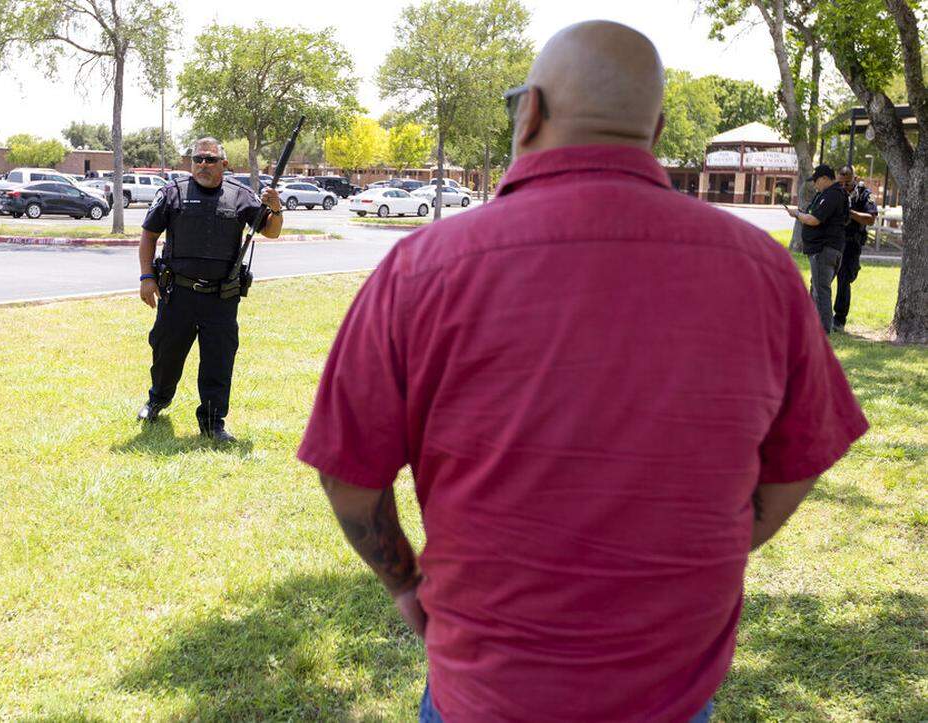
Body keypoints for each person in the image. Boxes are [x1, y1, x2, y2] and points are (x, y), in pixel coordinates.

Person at [299, 21, 868, 722]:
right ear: (656, 129)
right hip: (672, 696)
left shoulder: (424, 268)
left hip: (484, 693)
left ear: (529, 110)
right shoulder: (761, 273)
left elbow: (347, 472)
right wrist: (718, 539)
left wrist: (404, 584)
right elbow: (802, 455)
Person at [136, 137, 283, 442]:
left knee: (218, 361)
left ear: (224, 165)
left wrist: (276, 210)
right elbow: (149, 234)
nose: (203, 165)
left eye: (210, 160)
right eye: (197, 159)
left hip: (221, 298)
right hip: (178, 295)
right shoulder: (172, 193)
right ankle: (157, 400)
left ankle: (213, 422)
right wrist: (146, 277)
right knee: (166, 355)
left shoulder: (240, 196)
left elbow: (270, 230)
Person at [787, 164, 849, 333]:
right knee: (816, 288)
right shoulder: (827, 194)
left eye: (816, 181)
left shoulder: (832, 195)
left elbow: (815, 220)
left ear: (824, 178)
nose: (815, 185)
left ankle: (822, 332)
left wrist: (797, 215)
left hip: (824, 250)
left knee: (821, 292)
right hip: (825, 249)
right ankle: (809, 326)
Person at [833, 166, 877, 331]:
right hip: (833, 241)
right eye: (841, 183)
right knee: (821, 280)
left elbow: (870, 219)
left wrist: (850, 212)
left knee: (844, 280)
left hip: (851, 243)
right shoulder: (834, 191)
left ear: (855, 178)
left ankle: (839, 320)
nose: (844, 187)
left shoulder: (865, 194)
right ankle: (815, 316)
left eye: (848, 183)